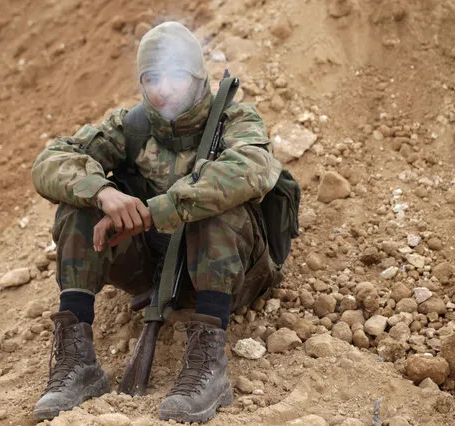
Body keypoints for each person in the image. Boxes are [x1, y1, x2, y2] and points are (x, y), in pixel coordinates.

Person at [30, 21, 283, 423]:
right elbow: (50, 161)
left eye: (175, 77)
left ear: (198, 77)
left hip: (231, 276)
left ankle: (207, 367)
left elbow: (250, 169)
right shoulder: (131, 126)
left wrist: (159, 210)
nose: (162, 89)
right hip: (151, 272)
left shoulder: (234, 118)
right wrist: (102, 192)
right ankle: (77, 365)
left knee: (217, 207)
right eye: (151, 78)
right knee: (78, 208)